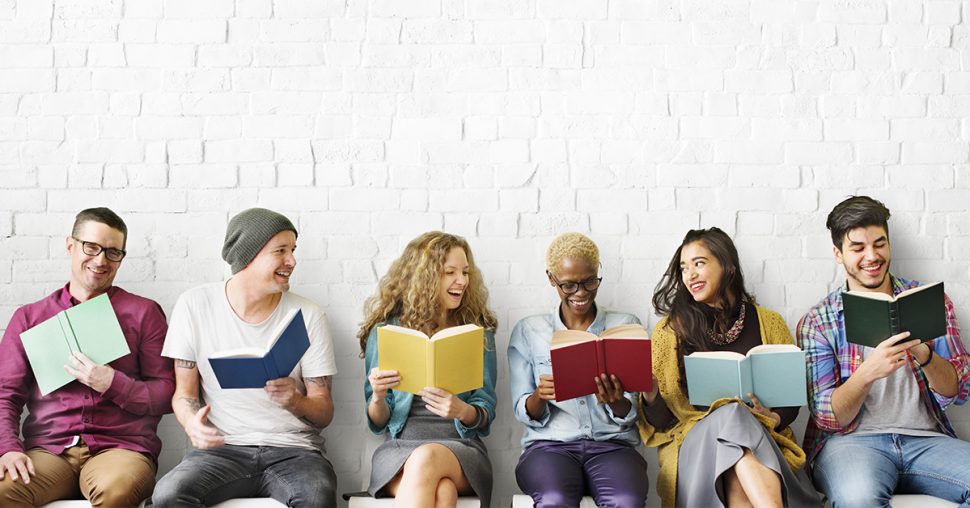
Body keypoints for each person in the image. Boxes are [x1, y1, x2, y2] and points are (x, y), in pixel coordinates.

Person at [152, 208, 338, 507]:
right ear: (248, 256)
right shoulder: (195, 305)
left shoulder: (307, 315)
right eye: (280, 251)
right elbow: (183, 395)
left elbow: (324, 412)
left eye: (292, 250)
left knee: (317, 497)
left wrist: (296, 401)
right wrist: (192, 425)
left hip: (294, 451)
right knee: (168, 495)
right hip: (222, 450)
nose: (292, 261)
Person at [797, 195, 970, 507]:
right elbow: (828, 418)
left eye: (879, 244)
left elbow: (959, 391)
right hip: (851, 445)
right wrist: (867, 374)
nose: (872, 256)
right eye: (858, 247)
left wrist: (923, 353)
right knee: (858, 499)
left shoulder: (932, 302)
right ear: (838, 253)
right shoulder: (818, 321)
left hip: (927, 441)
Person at [0, 207, 175, 507]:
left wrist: (113, 383)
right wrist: (7, 447)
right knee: (3, 489)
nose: (100, 260)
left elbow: (169, 392)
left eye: (112, 252)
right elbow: (5, 393)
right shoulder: (30, 317)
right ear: (71, 245)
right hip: (48, 452)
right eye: (91, 247)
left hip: (121, 449)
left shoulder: (143, 313)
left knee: (115, 490)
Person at [639, 227, 820, 508]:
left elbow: (789, 404)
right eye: (684, 268)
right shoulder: (669, 331)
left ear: (728, 266)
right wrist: (650, 391)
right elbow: (664, 424)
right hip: (696, 450)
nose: (690, 275)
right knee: (732, 412)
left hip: (759, 443)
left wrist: (769, 415)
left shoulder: (769, 323)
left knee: (736, 457)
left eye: (699, 264)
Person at [508, 232, 649, 508]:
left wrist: (616, 401)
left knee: (626, 501)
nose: (581, 293)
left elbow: (631, 411)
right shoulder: (529, 330)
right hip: (549, 447)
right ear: (552, 279)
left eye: (589, 282)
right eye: (568, 285)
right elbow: (522, 410)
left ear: (598, 273)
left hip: (612, 446)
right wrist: (540, 396)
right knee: (554, 500)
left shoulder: (625, 326)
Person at [359, 231, 498, 507]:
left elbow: (486, 413)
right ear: (425, 277)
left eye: (465, 272)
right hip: (398, 450)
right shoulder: (387, 331)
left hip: (461, 449)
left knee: (426, 458)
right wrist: (377, 396)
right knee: (443, 492)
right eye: (450, 272)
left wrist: (461, 410)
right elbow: (377, 422)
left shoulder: (477, 333)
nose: (462, 281)